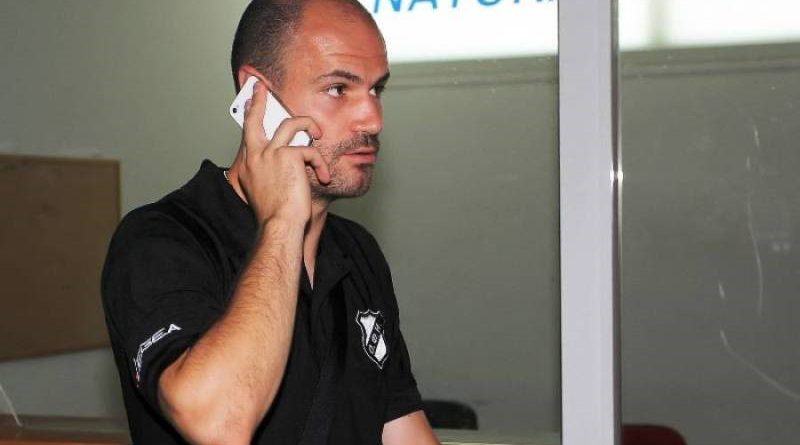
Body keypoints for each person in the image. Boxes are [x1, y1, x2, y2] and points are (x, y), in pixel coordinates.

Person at [101, 0, 440, 444]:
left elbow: (402, 429)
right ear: (256, 96)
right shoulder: (160, 241)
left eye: (377, 89)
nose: (373, 119)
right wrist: (282, 221)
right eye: (339, 89)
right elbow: (218, 423)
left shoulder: (357, 252)